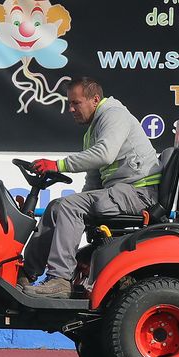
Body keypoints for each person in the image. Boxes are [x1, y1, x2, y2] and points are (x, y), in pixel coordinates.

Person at [24, 76, 161, 298]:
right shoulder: (93, 129)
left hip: (138, 193)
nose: (70, 109)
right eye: (69, 103)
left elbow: (104, 154)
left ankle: (59, 280)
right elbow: (94, 180)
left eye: (75, 103)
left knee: (69, 206)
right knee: (58, 207)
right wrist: (74, 205)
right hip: (120, 192)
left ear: (95, 99)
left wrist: (57, 165)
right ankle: (25, 274)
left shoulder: (114, 115)